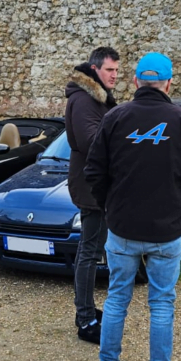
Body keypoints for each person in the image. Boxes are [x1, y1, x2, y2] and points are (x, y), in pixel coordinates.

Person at [83, 52, 181, 361]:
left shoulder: (116, 118)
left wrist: (111, 207)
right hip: (167, 230)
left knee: (116, 301)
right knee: (161, 305)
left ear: (136, 82)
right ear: (169, 83)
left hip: (123, 228)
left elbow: (94, 172)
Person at [64, 46, 120, 344]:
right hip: (91, 185)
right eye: (110, 70)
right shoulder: (86, 99)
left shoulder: (97, 99)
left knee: (92, 248)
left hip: (97, 183)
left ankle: (85, 310)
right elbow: (90, 141)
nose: (115, 76)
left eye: (117, 71)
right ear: (95, 69)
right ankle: (85, 318)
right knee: (89, 251)